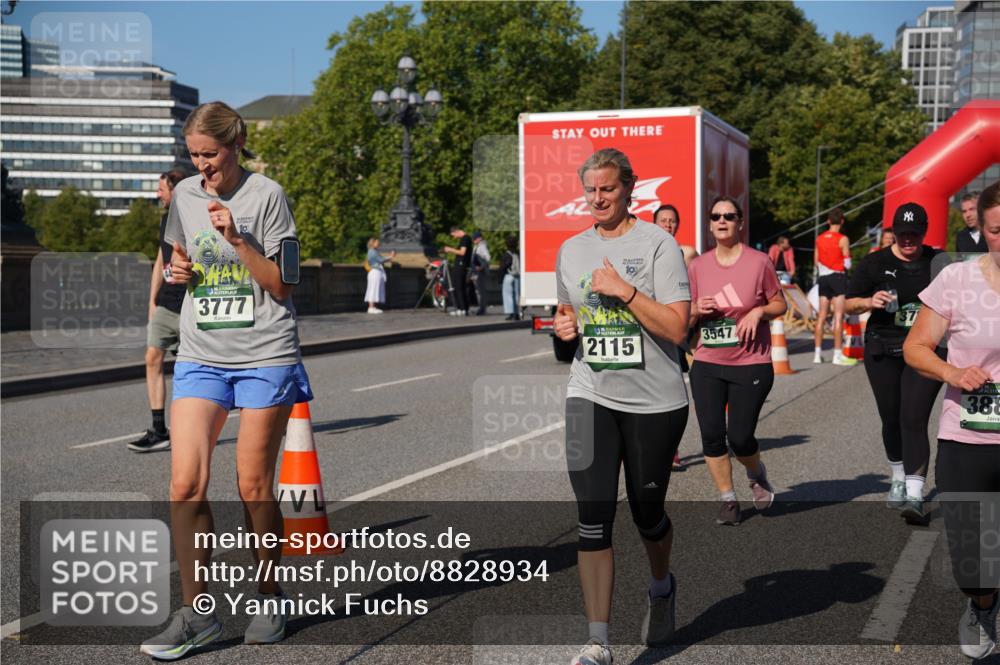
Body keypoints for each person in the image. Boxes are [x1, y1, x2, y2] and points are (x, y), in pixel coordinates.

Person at [140, 101, 313, 659]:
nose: (202, 168)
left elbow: (283, 286)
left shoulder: (268, 196)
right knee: (184, 485)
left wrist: (239, 240)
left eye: (209, 156)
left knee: (253, 487)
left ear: (235, 145)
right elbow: (178, 259)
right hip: (202, 353)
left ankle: (268, 594)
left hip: (264, 353)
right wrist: (178, 271)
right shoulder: (186, 195)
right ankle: (199, 614)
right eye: (193, 157)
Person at [554, 149, 691, 664]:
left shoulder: (659, 244)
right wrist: (563, 328)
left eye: (607, 189)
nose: (597, 199)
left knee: (646, 512)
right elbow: (567, 317)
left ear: (629, 189)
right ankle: (598, 642)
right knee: (592, 517)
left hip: (655, 401)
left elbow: (678, 328)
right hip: (590, 391)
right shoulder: (572, 249)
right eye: (590, 190)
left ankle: (661, 586)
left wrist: (625, 290)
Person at [903, 180, 1000, 659]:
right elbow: (915, 347)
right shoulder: (957, 280)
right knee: (973, 561)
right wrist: (953, 371)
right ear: (981, 231)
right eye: (999, 230)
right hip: (969, 434)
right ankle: (983, 605)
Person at [687, 196, 787, 527]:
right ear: (710, 224)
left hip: (750, 363)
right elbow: (684, 316)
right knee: (712, 435)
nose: (722, 220)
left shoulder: (759, 262)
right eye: (716, 216)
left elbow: (780, 304)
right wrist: (695, 310)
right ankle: (728, 499)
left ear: (740, 223)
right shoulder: (698, 266)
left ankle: (756, 473)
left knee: (740, 437)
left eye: (729, 216)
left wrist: (758, 311)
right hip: (707, 361)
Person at [845, 202, 944, 522]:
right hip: (883, 349)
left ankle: (915, 495)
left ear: (924, 233)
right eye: (902, 234)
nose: (908, 240)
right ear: (893, 234)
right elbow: (847, 304)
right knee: (891, 417)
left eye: (914, 234)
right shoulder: (875, 263)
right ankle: (899, 477)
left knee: (913, 417)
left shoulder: (938, 263)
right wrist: (868, 301)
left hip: (925, 351)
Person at [129, 168, 188, 453]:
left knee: (195, 369)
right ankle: (159, 429)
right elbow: (159, 259)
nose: (157, 194)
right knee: (153, 357)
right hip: (166, 302)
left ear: (175, 189)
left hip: (192, 304)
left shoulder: (196, 216)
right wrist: (151, 300)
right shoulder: (166, 220)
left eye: (161, 188)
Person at [653, 203, 696, 470]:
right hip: (648, 327)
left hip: (674, 330)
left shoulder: (687, 253)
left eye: (672, 221)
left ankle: (672, 448)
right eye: (663, 221)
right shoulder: (644, 249)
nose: (668, 225)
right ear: (654, 223)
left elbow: (701, 281)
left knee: (671, 393)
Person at [813, 208, 856, 365]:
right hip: (837, 277)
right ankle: (837, 354)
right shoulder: (843, 238)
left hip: (823, 277)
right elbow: (848, 263)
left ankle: (817, 354)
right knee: (838, 316)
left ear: (828, 221)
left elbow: (816, 261)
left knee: (821, 316)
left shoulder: (819, 238)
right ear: (842, 221)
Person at [442, 226, 472, 316]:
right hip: (462, 266)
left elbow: (462, 252)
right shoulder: (466, 239)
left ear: (456, 231)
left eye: (453, 235)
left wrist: (450, 249)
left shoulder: (464, 239)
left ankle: (461, 308)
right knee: (461, 287)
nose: (454, 237)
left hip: (461, 266)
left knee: (458, 287)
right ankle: (464, 308)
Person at [364, 237, 395, 314]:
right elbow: (380, 259)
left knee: (375, 288)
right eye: (377, 242)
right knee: (373, 289)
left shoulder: (373, 251)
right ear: (372, 243)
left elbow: (380, 259)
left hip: (376, 271)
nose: (378, 244)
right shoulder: (372, 251)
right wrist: (390, 257)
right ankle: (371, 307)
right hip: (375, 272)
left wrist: (389, 257)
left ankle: (373, 306)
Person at [499, 235, 521, 320]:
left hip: (508, 276)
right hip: (517, 277)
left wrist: (500, 279)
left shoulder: (506, 255)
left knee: (508, 295)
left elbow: (502, 268)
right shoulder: (518, 253)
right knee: (516, 295)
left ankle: (511, 313)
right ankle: (517, 313)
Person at [470, 230, 491, 315]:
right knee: (479, 291)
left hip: (480, 272)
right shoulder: (478, 246)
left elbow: (488, 257)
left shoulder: (482, 246)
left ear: (479, 238)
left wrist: (481, 267)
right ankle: (481, 308)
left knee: (481, 291)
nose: (473, 241)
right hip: (477, 272)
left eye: (474, 239)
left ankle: (482, 309)